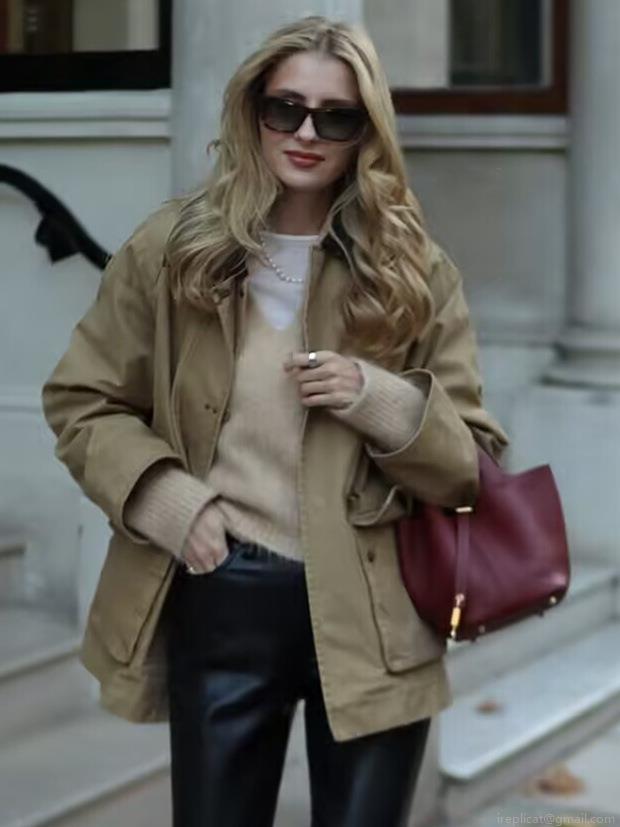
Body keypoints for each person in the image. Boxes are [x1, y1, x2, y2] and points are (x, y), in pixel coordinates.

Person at [41, 14, 509, 827]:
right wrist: (167, 500)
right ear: (252, 109)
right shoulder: (172, 250)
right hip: (225, 591)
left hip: (377, 605)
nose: (305, 133)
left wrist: (380, 397)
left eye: (336, 117)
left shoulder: (412, 270)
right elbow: (83, 399)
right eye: (284, 108)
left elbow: (473, 463)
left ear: (367, 132)